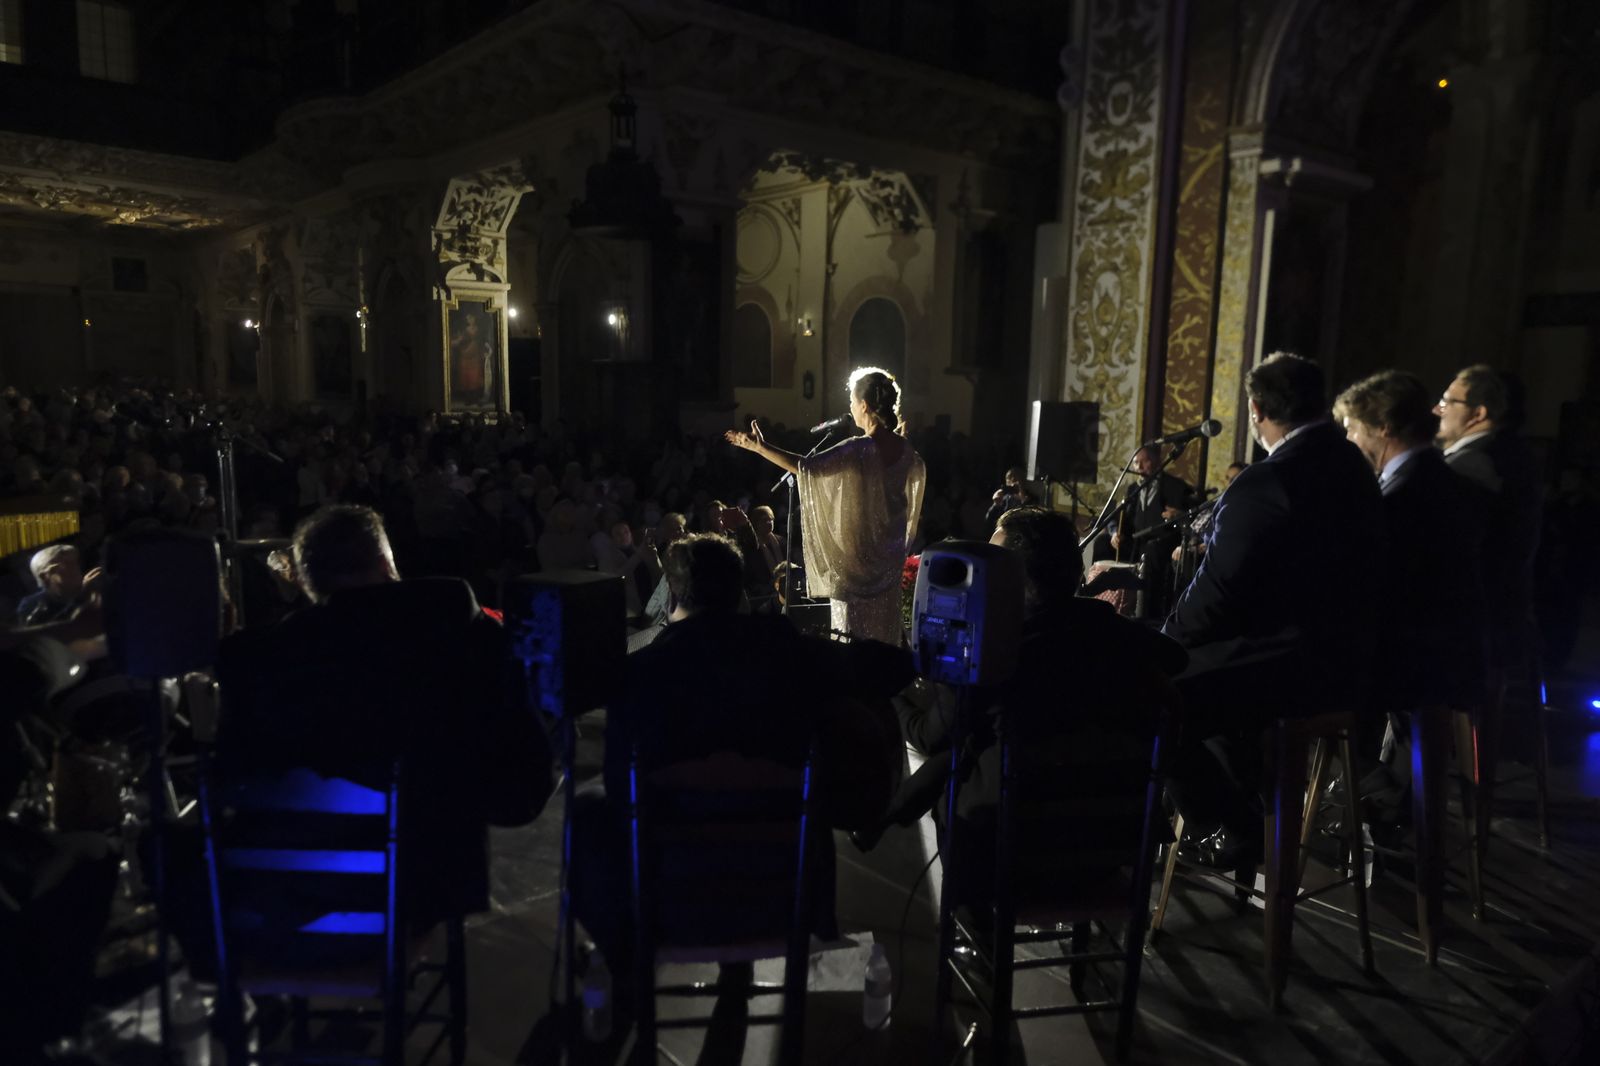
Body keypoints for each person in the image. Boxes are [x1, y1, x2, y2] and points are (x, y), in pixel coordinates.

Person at [571, 532, 912, 962]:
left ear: (675, 591)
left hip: (671, 897)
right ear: (737, 592)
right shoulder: (788, 653)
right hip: (782, 894)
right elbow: (895, 668)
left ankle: (623, 972)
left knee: (588, 812)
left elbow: (622, 790)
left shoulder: (640, 673)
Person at [216, 505, 553, 935]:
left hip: (286, 899)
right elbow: (524, 782)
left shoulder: (254, 661)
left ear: (306, 581)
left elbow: (232, 780)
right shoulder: (467, 635)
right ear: (385, 565)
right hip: (422, 886)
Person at [879, 506, 1186, 907]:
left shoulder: (997, 657)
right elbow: (1176, 659)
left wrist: (896, 691)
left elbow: (928, 735)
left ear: (1013, 577)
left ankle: (974, 928)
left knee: (951, 773)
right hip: (1114, 850)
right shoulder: (1121, 638)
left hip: (1014, 857)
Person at [1162, 353, 1387, 866]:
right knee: (1205, 685)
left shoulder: (1267, 482)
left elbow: (1214, 595)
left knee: (1152, 689)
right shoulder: (1355, 465)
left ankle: (1229, 826)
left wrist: (1162, 645)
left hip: (1290, 669)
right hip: (1350, 666)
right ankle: (1245, 800)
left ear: (1257, 409)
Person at [1336, 370, 1486, 823]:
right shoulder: (1437, 476)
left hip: (1416, 664)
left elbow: (1378, 590)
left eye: (1352, 428)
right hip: (1442, 654)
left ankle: (1374, 800)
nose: (1349, 439)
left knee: (1288, 683)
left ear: (1382, 428)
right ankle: (1367, 799)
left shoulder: (1407, 492)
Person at [725, 367, 926, 644]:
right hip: (888, 565)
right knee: (882, 647)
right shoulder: (907, 451)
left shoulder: (859, 450)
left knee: (854, 648)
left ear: (864, 406)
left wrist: (760, 447)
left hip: (857, 567)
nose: (851, 407)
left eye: (853, 401)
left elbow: (806, 468)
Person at [1434, 365, 1543, 671]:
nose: (1436, 409)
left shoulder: (1473, 465)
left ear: (1478, 413)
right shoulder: (1509, 454)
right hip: (1499, 618)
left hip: (1468, 622)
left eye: (1447, 401)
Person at [1110, 445, 1193, 620]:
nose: (1139, 467)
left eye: (1144, 461)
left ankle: (1147, 615)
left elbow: (1192, 517)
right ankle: (1109, 606)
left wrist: (1178, 515)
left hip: (1162, 543)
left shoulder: (1175, 486)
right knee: (1103, 544)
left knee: (1152, 549)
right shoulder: (1133, 489)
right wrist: (1115, 533)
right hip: (1135, 542)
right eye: (1135, 463)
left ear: (1156, 462)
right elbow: (1122, 520)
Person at [16, 545, 90, 627]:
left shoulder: (91, 590)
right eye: (64, 564)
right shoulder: (32, 605)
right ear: (44, 576)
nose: (74, 567)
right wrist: (80, 598)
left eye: (75, 562)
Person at [983, 466, 1036, 530]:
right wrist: (995, 504)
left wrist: (1022, 494)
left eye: (1016, 478)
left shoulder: (1032, 498)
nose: (1012, 482)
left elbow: (1030, 519)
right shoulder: (1004, 499)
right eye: (1009, 478)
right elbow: (989, 520)